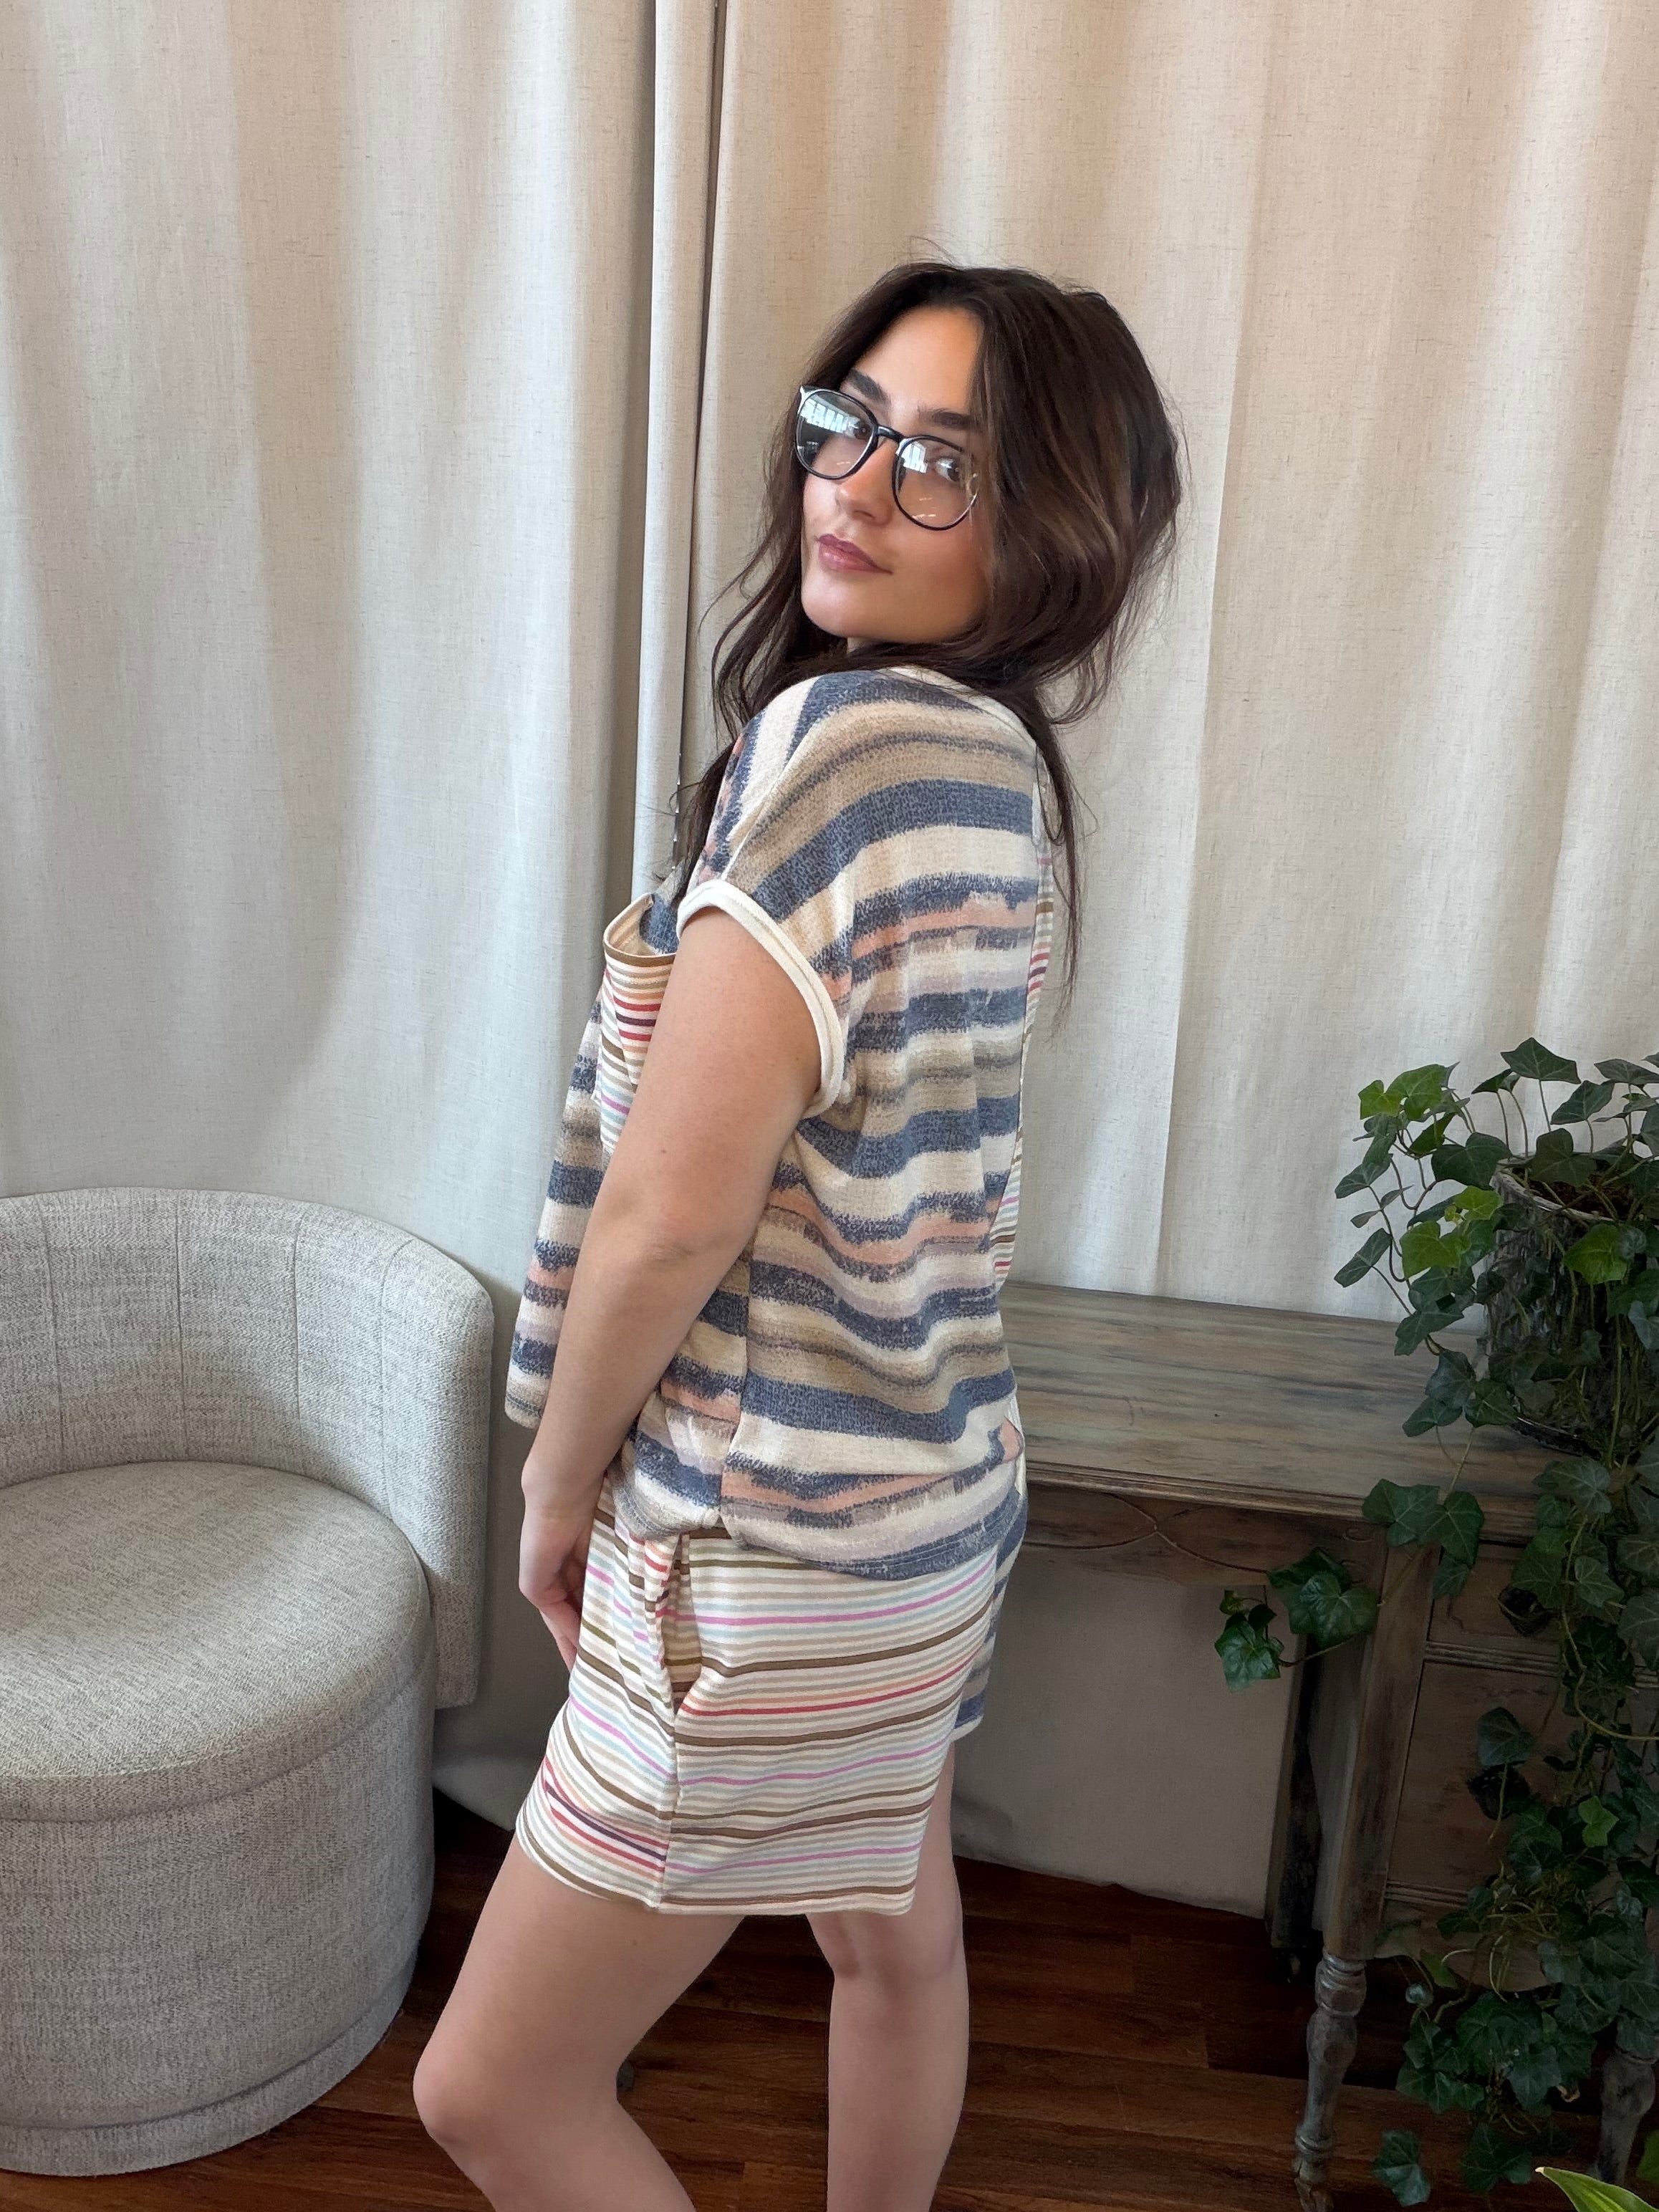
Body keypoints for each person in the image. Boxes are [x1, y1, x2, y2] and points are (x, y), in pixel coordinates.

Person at [413, 258, 1183, 2212]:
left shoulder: (847, 749)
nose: (856, 480)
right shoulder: (997, 780)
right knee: (884, 1931)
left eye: (943, 461)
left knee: (492, 2094)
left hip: (755, 1561)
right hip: (915, 1527)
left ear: (1052, 538)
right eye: (849, 422)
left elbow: (673, 1215)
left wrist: (553, 1483)